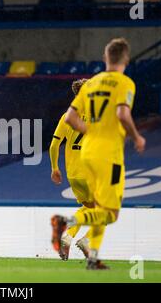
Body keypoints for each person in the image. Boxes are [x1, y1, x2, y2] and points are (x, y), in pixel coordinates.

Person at [51, 38, 146, 270]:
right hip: (108, 155)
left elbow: (70, 118)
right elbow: (123, 114)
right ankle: (68, 224)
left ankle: (91, 254)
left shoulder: (90, 86)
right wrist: (137, 137)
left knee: (97, 207)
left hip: (87, 156)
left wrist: (89, 132)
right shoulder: (125, 83)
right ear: (125, 59)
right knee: (110, 213)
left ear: (105, 58)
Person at [49, 78, 93, 261]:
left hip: (73, 174)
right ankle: (86, 241)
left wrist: (54, 168)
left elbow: (53, 145)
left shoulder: (67, 116)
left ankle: (68, 236)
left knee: (88, 207)